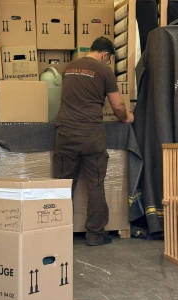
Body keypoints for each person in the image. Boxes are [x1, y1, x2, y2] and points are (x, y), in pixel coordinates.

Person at [53, 36, 134, 246]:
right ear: (105, 55)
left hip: (66, 133)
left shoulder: (69, 68)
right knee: (95, 184)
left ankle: (58, 233)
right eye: (109, 59)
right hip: (91, 134)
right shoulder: (104, 71)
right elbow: (117, 105)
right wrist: (126, 117)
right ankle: (95, 235)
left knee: (62, 185)